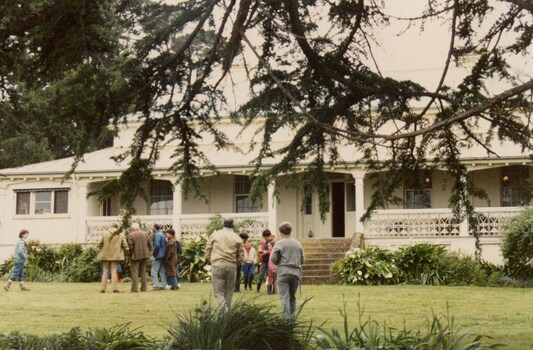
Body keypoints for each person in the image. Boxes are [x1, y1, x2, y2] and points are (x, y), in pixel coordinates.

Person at [205, 218, 244, 310]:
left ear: (223, 224)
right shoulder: (237, 237)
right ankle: (227, 316)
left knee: (218, 293)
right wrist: (236, 263)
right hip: (231, 266)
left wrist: (212, 260)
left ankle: (224, 313)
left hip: (217, 264)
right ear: (233, 226)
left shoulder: (215, 235)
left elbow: (207, 251)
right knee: (229, 293)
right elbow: (241, 256)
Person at [270, 222, 305, 320]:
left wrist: (279, 262)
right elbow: (302, 260)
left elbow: (273, 258)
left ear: (281, 232)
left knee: (284, 297)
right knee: (292, 297)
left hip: (283, 271)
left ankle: (286, 319)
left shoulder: (279, 243)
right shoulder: (298, 243)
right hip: (296, 273)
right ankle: (293, 318)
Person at [97, 223, 128, 293]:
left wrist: (102, 248)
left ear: (111, 227)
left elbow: (99, 243)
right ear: (117, 228)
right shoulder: (121, 234)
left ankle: (103, 288)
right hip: (116, 255)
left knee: (105, 271)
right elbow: (125, 245)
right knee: (114, 271)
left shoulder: (105, 233)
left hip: (105, 255)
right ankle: (115, 288)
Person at [127, 222, 152, 292]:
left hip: (135, 255)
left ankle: (134, 289)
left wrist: (130, 254)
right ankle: (144, 288)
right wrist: (148, 252)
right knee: (143, 272)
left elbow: (130, 246)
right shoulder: (145, 234)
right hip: (144, 255)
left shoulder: (131, 235)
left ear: (133, 228)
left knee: (135, 273)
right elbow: (150, 244)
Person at [151, 224, 167, 290]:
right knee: (162, 270)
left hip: (158, 255)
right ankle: (163, 285)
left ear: (154, 228)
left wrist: (154, 254)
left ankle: (155, 285)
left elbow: (157, 245)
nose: (152, 228)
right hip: (163, 254)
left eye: (152, 227)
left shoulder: (157, 235)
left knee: (154, 270)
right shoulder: (162, 234)